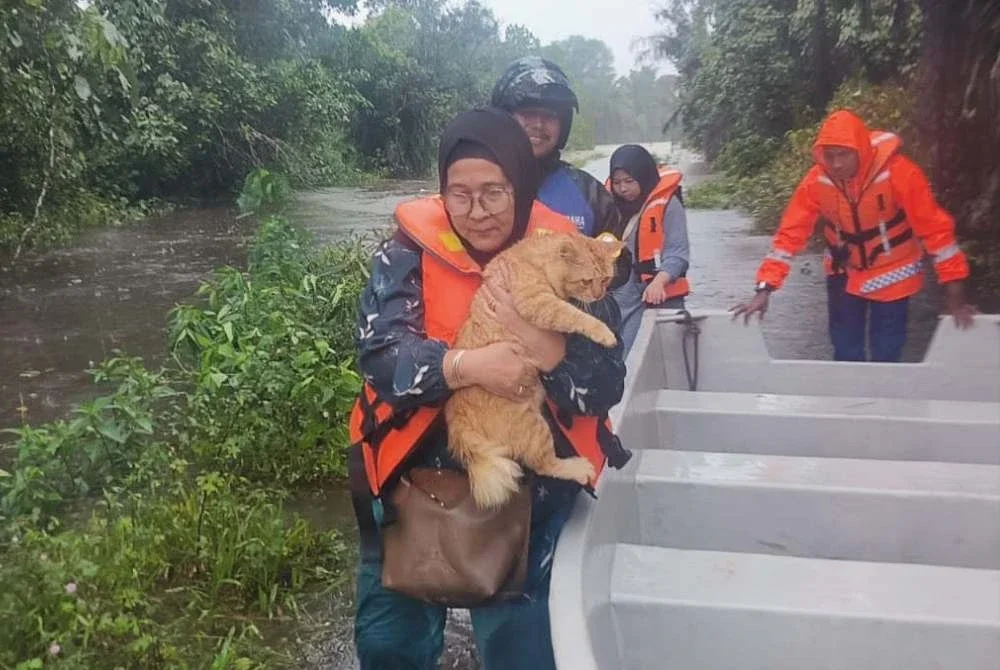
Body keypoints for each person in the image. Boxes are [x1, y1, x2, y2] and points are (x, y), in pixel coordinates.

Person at [349, 107, 626, 670]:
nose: (477, 213)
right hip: (412, 483)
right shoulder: (402, 254)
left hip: (528, 495)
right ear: (442, 193)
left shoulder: (571, 255)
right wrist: (467, 366)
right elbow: (380, 357)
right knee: (389, 647)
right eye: (460, 194)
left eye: (495, 193)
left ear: (520, 187)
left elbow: (606, 384)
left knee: (522, 650)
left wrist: (549, 351)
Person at [731, 109, 977, 362]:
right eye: (830, 156)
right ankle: (848, 399)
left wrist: (955, 292)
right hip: (844, 272)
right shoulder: (816, 181)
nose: (836, 164)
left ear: (860, 149)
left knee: (887, 352)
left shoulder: (899, 173)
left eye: (843, 155)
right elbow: (789, 235)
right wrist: (764, 289)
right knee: (845, 351)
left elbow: (936, 231)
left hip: (894, 274)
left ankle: (884, 400)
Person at [490, 57, 623, 244]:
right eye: (528, 113)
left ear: (564, 125)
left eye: (550, 116)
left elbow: (618, 260)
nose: (538, 124)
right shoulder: (474, 186)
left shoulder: (592, 195)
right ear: (503, 118)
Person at [606, 144, 692, 354]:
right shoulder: (608, 205)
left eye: (629, 181)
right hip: (620, 298)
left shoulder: (669, 205)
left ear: (644, 178)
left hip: (656, 297)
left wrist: (658, 282)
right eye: (617, 183)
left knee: (638, 357)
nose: (623, 189)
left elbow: (678, 253)